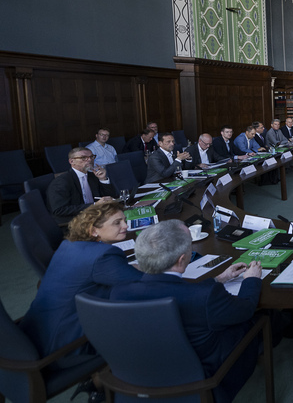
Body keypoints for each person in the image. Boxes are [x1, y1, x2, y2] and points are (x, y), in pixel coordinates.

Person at [111, 220, 268, 402]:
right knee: (263, 318)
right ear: (182, 259)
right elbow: (245, 309)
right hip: (203, 376)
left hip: (138, 375)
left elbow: (179, 292)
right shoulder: (204, 297)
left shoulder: (119, 292)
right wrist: (252, 280)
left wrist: (219, 278)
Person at [20, 201, 142, 358]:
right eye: (117, 223)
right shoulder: (103, 256)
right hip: (66, 347)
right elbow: (143, 284)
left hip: (39, 334)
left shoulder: (69, 245)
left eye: (124, 220)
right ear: (93, 231)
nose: (126, 226)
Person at [47, 147, 117, 218]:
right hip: (76, 219)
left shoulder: (93, 176)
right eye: (84, 158)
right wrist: (94, 205)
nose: (90, 160)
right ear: (71, 161)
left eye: (91, 157)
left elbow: (110, 197)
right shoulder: (61, 181)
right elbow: (59, 210)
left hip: (96, 214)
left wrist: (103, 179)